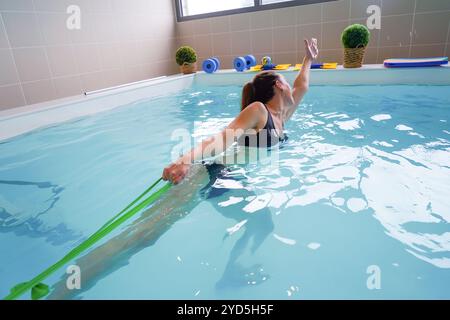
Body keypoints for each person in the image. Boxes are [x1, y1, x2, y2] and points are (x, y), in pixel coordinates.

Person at [163, 38, 319, 185]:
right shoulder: (259, 110)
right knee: (162, 214)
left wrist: (308, 59)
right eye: (287, 83)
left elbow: (302, 86)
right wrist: (185, 160)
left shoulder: (281, 116)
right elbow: (223, 139)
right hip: (214, 173)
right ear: (279, 85)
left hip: (234, 177)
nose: (291, 88)